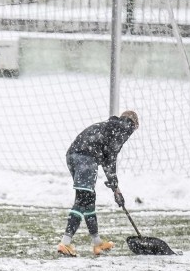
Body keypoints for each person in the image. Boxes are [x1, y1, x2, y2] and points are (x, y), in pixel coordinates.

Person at [58, 110, 139, 257]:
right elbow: (110, 160)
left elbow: (108, 157)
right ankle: (65, 242)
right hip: (86, 158)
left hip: (72, 155)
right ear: (134, 125)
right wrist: (116, 188)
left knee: (88, 198)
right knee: (82, 200)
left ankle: (97, 243)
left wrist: (116, 189)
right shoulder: (124, 129)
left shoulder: (110, 125)